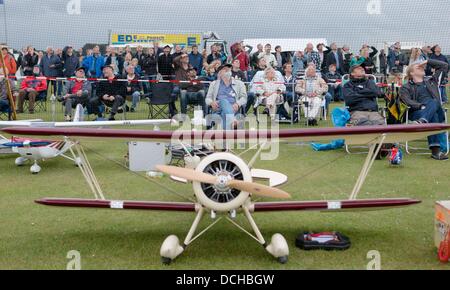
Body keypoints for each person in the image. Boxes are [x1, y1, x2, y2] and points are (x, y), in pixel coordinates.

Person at [400, 60, 449, 160]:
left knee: (434, 102)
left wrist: (427, 61)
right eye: (418, 67)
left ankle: (423, 121)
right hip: (418, 112)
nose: (421, 67)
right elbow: (407, 101)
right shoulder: (406, 87)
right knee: (433, 115)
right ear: (411, 73)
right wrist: (421, 106)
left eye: (422, 66)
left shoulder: (432, 81)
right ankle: (436, 152)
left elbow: (444, 65)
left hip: (435, 111)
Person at [206, 64, 247, 130]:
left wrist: (238, 103)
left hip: (233, 108)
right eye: (224, 69)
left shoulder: (239, 83)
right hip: (218, 108)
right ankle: (233, 121)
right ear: (219, 73)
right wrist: (211, 103)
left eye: (228, 69)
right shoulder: (214, 84)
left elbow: (244, 98)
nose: (227, 70)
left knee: (224, 113)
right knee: (223, 101)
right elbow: (207, 99)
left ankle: (219, 130)